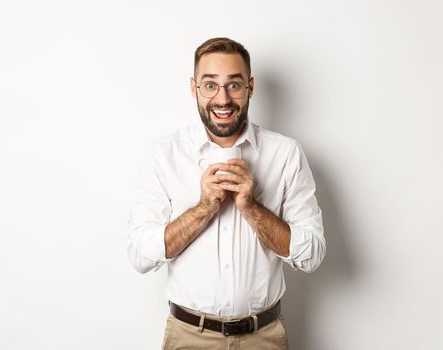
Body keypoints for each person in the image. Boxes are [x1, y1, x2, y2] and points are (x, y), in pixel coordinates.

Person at [126, 37, 326, 350]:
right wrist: (203, 207)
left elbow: (312, 255)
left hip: (265, 337)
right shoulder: (164, 155)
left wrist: (251, 207)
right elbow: (140, 255)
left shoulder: (286, 154)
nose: (222, 99)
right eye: (210, 85)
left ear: (250, 87)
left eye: (234, 85)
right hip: (189, 337)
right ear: (194, 88)